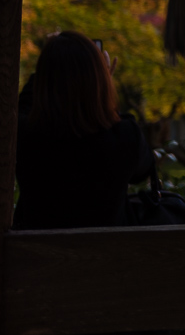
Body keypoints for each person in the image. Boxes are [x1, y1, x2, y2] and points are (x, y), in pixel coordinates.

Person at [14, 31, 153, 230]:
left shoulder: (25, 138)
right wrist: (102, 86)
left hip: (37, 260)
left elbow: (23, 107)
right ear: (100, 81)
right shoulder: (124, 137)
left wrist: (48, 67)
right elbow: (143, 171)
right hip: (107, 258)